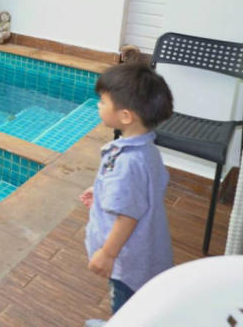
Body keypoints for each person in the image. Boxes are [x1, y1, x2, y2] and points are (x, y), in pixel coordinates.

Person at [82, 61, 174, 326]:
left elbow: (128, 216)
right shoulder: (147, 150)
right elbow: (141, 191)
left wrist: (107, 254)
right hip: (148, 252)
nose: (98, 105)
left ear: (125, 116)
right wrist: (100, 191)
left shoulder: (128, 163)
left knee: (126, 308)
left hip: (128, 261)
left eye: (102, 101)